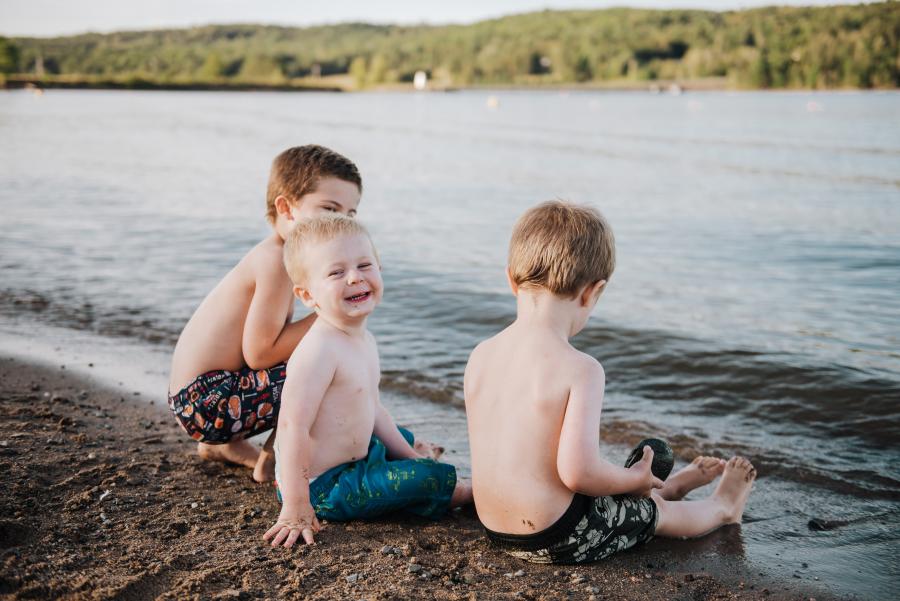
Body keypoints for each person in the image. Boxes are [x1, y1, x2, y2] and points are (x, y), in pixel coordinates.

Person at [464, 200, 756, 564]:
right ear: (592, 292)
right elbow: (579, 473)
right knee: (655, 517)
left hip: (496, 527)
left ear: (510, 278)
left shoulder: (481, 354)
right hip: (557, 535)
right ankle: (721, 506)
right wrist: (631, 482)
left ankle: (669, 485)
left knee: (609, 490)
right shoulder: (581, 369)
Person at [264, 214, 473, 548]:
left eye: (364, 265)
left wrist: (407, 455)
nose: (354, 278)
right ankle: (468, 492)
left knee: (398, 438)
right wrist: (296, 505)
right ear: (307, 295)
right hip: (323, 486)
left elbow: (373, 410)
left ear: (380, 270)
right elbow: (292, 428)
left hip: (357, 458)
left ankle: (417, 452)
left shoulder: (364, 340)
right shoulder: (318, 349)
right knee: (428, 478)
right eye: (336, 272)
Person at [167, 145, 362, 482]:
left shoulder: (282, 255)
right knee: (328, 360)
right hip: (206, 403)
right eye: (329, 210)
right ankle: (275, 461)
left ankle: (227, 445)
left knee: (321, 348)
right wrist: (329, 314)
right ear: (286, 209)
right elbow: (259, 355)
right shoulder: (275, 261)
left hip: (199, 400)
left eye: (349, 215)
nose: (339, 224)